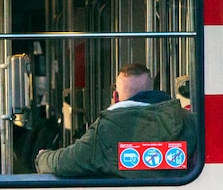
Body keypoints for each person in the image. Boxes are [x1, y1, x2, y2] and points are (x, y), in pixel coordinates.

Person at [35, 63, 197, 178]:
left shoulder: (105, 130)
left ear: (115, 96)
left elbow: (64, 163)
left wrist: (42, 157)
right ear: (152, 89)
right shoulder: (190, 121)